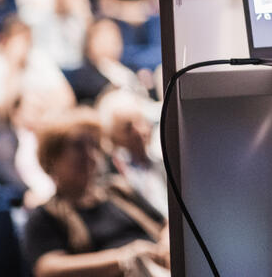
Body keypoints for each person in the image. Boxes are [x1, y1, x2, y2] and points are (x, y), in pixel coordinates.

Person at [23, 109, 169, 277]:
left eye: (93, 145)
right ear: (52, 158)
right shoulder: (45, 216)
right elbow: (48, 268)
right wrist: (124, 258)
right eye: (78, 146)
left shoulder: (118, 190)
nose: (89, 155)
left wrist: (165, 248)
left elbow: (165, 224)